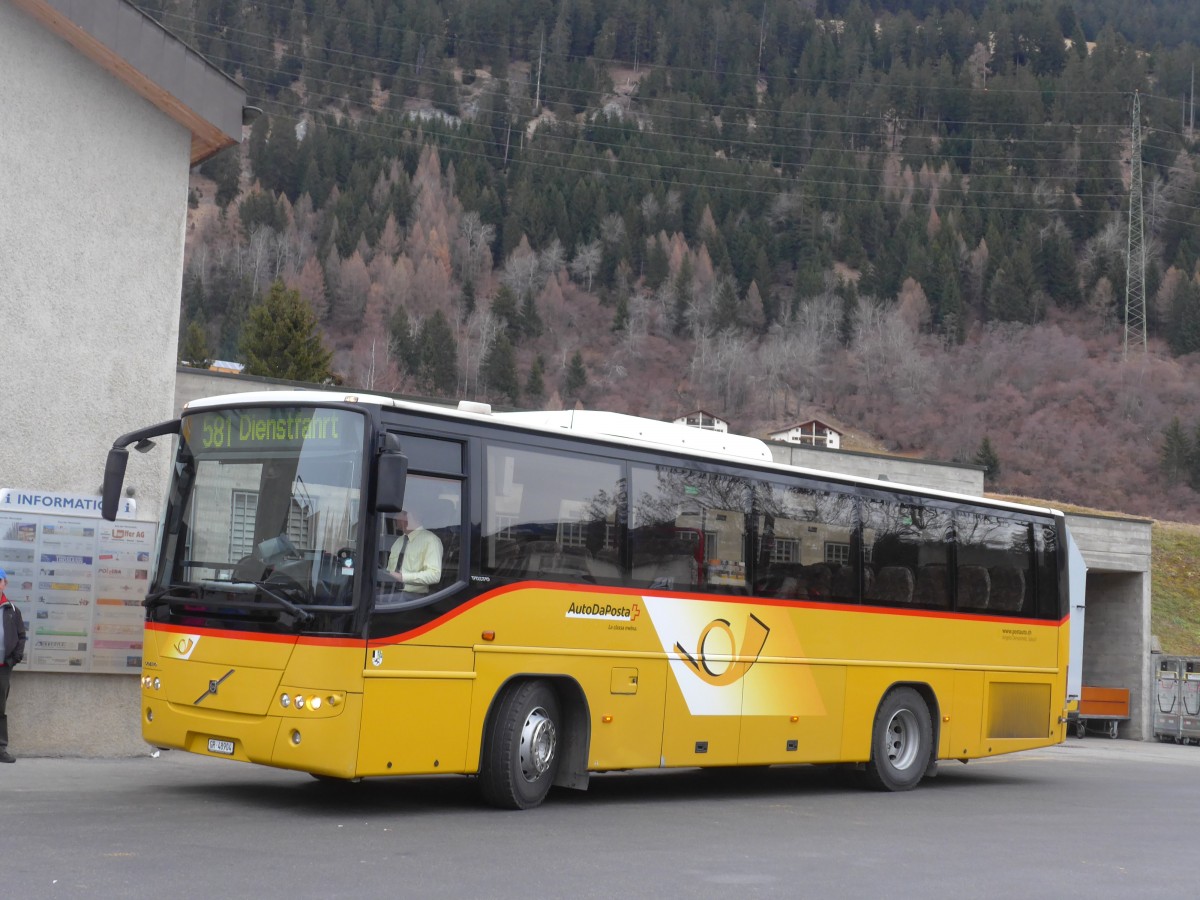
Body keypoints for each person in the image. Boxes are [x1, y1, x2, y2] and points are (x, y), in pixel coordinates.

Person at [380, 508, 443, 603]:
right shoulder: (398, 541)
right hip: (391, 590)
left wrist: (402, 577)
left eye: (399, 514)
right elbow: (390, 571)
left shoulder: (431, 540)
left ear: (412, 517)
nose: (395, 517)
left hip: (413, 597)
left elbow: (434, 575)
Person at [0, 568, 28, 763]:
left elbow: (21, 637)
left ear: (4, 584)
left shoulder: (12, 610)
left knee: (0, 708)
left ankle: (1, 748)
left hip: (3, 668)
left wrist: (12, 660)